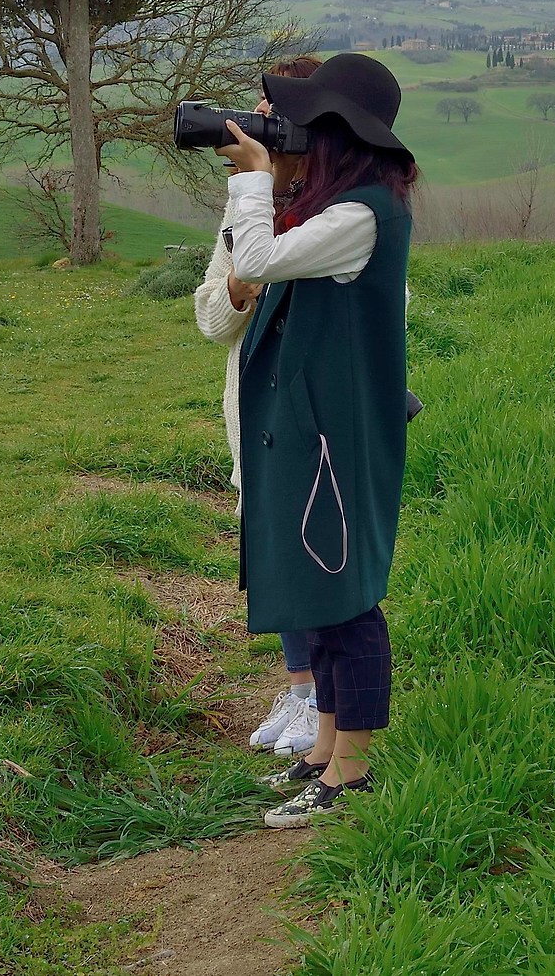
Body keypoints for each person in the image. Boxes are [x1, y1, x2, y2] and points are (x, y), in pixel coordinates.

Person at [215, 52, 416, 829]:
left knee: (348, 599)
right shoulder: (349, 206)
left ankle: (353, 772)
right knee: (323, 591)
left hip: (339, 432)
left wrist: (253, 177)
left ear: (338, 134)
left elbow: (256, 260)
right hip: (319, 426)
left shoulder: (363, 214)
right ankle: (325, 748)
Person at [191, 56, 324, 759]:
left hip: (307, 412)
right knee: (271, 551)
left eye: (272, 118)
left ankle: (325, 700)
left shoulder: (336, 206)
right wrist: (241, 289)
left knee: (313, 551)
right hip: (253, 410)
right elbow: (212, 319)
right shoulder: (245, 203)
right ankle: (299, 687)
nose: (257, 129)